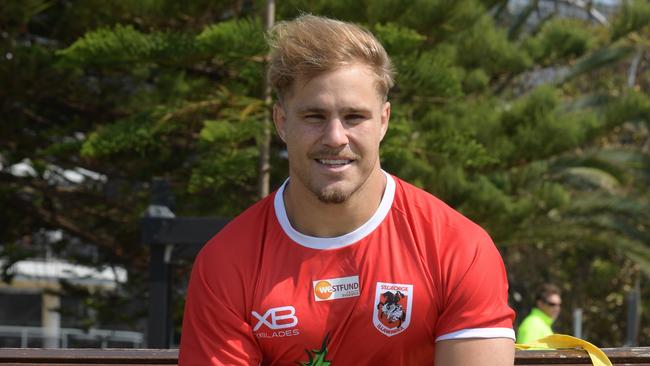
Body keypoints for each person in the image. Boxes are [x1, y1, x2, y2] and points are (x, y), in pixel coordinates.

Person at [179, 14, 515, 365]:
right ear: (281, 122)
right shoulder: (226, 262)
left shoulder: (458, 248)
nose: (335, 137)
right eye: (314, 117)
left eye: (354, 117)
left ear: (383, 121)